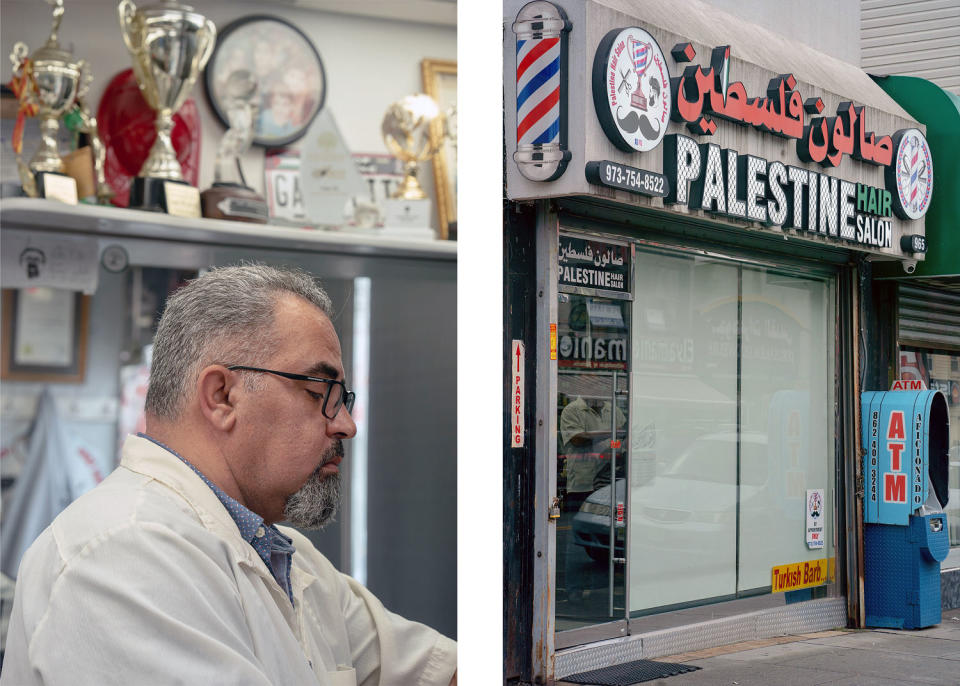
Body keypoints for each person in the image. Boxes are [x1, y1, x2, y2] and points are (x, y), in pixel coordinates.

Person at [1, 265, 457, 685]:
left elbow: (435, 671)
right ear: (222, 396)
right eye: (321, 391)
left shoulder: (283, 556)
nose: (346, 424)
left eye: (344, 398)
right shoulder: (121, 555)